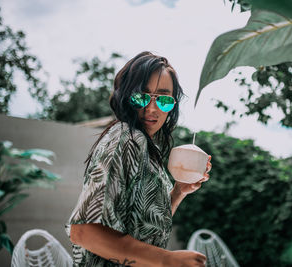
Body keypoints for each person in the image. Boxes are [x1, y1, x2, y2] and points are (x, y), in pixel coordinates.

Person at [66, 51, 212, 267]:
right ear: (125, 97)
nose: (152, 108)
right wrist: (167, 260)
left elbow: (143, 225)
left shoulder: (145, 145)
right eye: (140, 97)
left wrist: (178, 193)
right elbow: (84, 232)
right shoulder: (126, 137)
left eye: (164, 99)